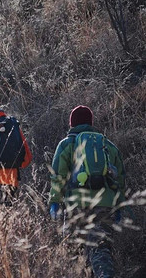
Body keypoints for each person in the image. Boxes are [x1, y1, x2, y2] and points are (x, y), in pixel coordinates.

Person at [48, 105, 126, 278]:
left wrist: (54, 201)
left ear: (72, 124)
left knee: (75, 252)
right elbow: (120, 178)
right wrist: (119, 205)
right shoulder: (107, 145)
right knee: (101, 247)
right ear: (91, 122)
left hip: (77, 204)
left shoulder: (67, 144)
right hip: (105, 205)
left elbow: (58, 176)